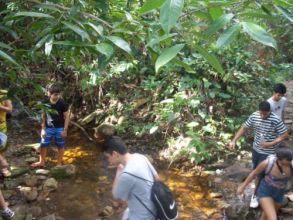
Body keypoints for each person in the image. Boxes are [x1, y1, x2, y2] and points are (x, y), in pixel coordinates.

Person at [228, 101, 289, 207]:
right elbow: (244, 128)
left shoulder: (275, 119)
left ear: (269, 111)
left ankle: (256, 195)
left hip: (269, 153)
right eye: (261, 113)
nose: (262, 116)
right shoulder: (254, 116)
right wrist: (234, 140)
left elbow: (285, 134)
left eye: (265, 114)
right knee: (256, 171)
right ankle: (262, 192)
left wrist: (271, 143)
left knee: (259, 174)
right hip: (256, 150)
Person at [103, 136, 158, 220]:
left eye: (107, 157)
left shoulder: (126, 174)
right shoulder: (140, 157)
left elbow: (116, 198)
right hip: (155, 211)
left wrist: (119, 170)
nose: (108, 160)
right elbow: (157, 179)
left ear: (114, 154)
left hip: (143, 217)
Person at [237, 147, 293, 220]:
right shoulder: (268, 163)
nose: (285, 167)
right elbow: (253, 174)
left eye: (287, 165)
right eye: (283, 164)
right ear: (278, 160)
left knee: (265, 216)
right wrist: (242, 187)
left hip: (279, 193)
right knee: (272, 218)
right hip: (265, 191)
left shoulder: (291, 166)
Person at [31, 83, 70, 168]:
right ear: (49, 93)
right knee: (43, 144)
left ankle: (59, 163)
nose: (57, 96)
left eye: (58, 94)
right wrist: (43, 129)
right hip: (48, 128)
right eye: (55, 94)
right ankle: (42, 162)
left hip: (59, 128)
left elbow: (67, 117)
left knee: (60, 145)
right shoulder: (45, 103)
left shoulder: (62, 103)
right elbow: (43, 116)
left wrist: (65, 130)